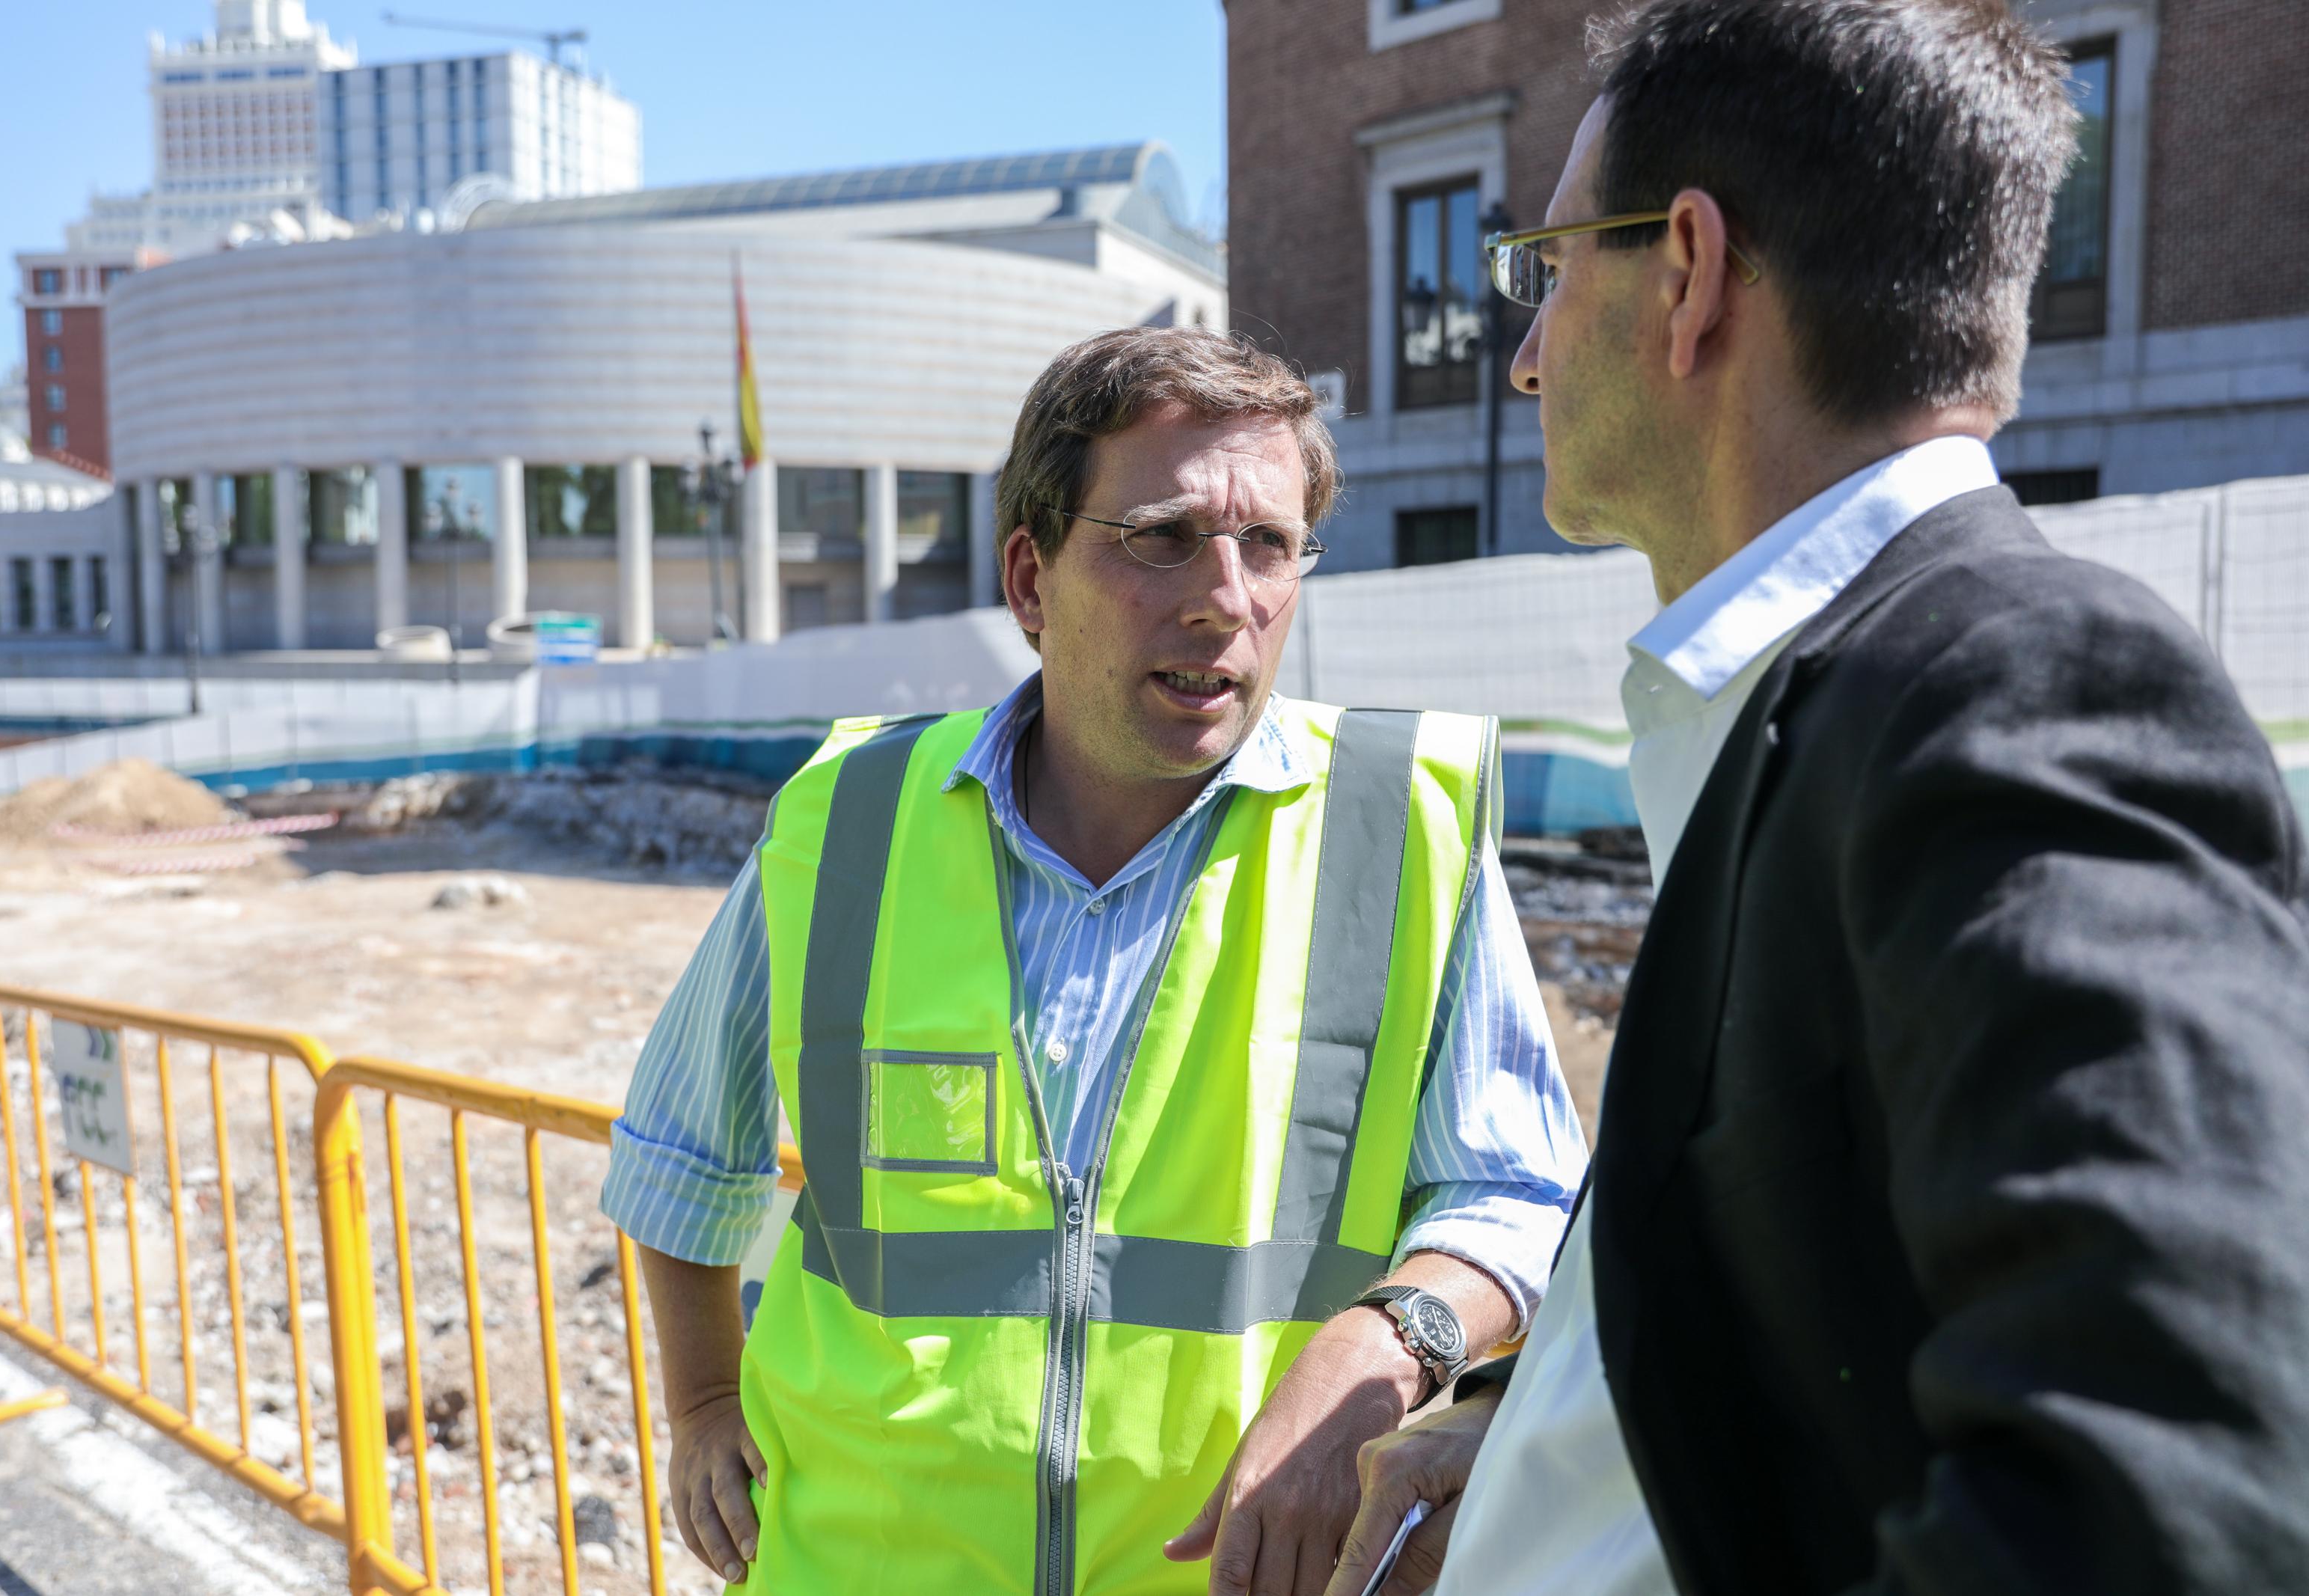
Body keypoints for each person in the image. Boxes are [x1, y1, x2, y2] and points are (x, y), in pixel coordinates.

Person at [1325, 2, 2309, 1593]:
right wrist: (1552, 1429)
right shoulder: (1837, 698)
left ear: (1690, 274)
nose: (1521, 350)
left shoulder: (2019, 681)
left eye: (1550, 269)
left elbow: (2174, 1487)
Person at [602, 325, 1588, 1595]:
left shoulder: (1407, 832)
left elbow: (1515, 1192)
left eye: (1269, 545)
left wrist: (1387, 1338)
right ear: (1030, 580)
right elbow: (682, 1149)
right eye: (1163, 536)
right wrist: (697, 1401)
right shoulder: (847, 817)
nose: (1226, 596)